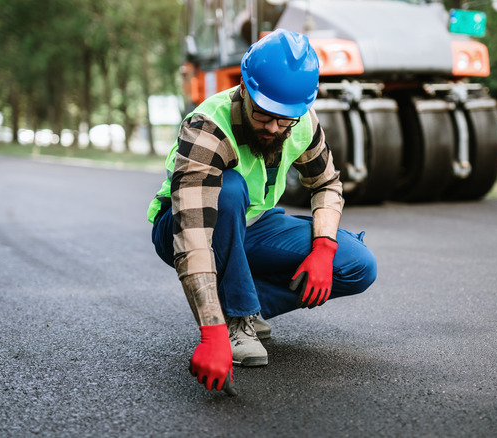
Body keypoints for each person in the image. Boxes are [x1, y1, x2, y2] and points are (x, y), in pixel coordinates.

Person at [148, 29, 377, 394]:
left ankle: (244, 304)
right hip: (187, 226)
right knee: (230, 188)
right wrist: (211, 333)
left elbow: (327, 184)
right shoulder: (207, 127)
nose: (274, 127)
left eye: (284, 119)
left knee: (357, 265)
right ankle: (235, 321)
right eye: (264, 115)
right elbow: (192, 235)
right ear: (244, 88)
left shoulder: (300, 121)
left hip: (255, 226)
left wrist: (323, 248)